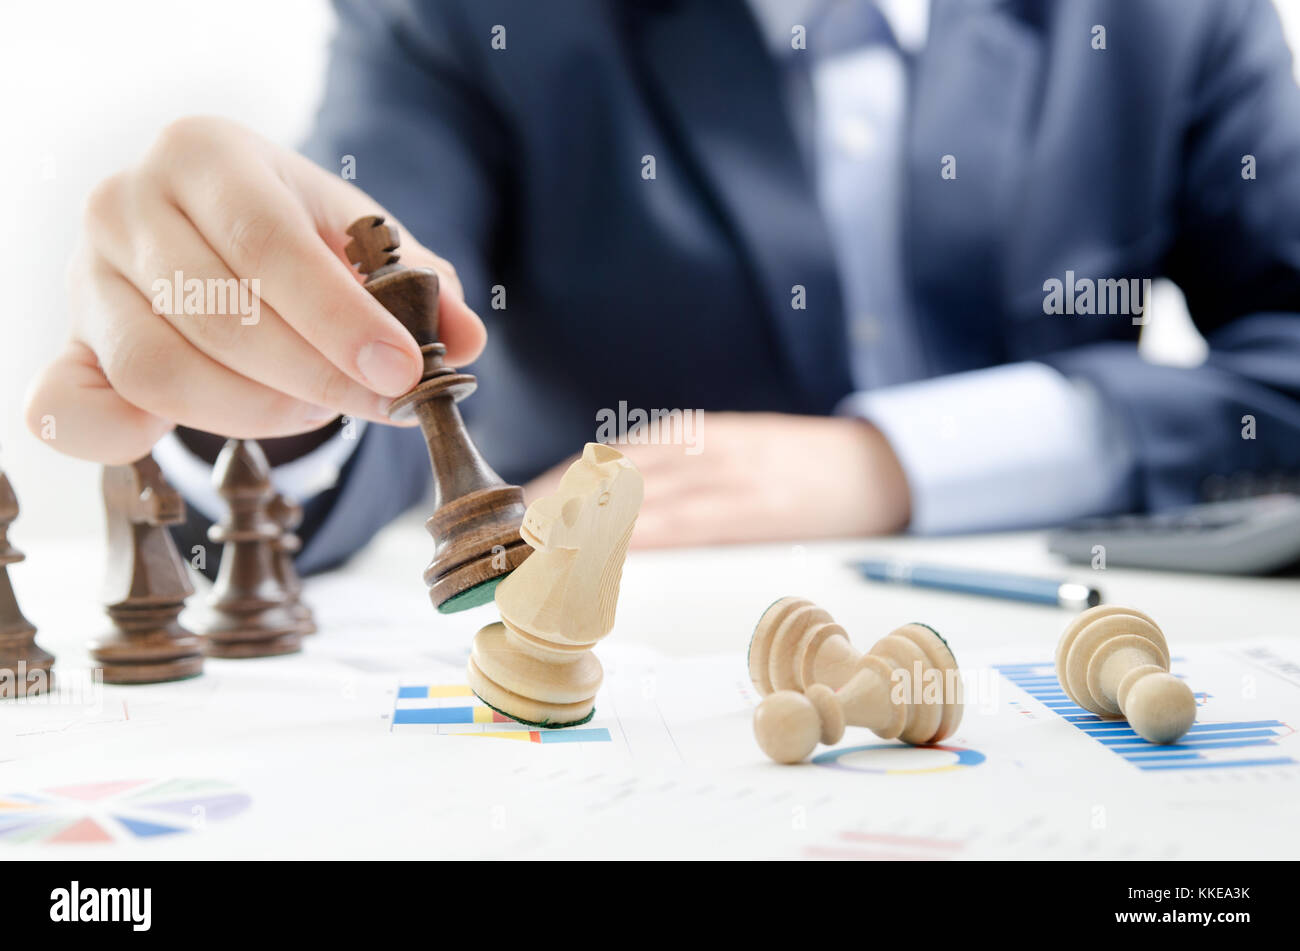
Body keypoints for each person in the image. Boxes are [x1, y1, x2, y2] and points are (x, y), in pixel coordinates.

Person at [24, 0, 1300, 574]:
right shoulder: (463, 19)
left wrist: (894, 462)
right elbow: (378, 298)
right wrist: (267, 379)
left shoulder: (1170, 15)